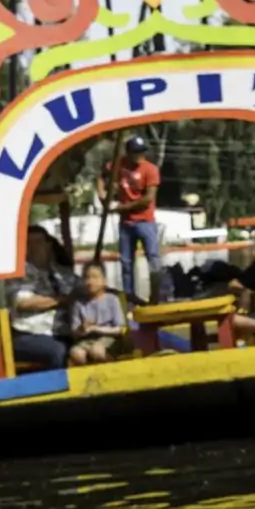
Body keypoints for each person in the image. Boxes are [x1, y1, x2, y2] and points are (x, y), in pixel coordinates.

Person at [7, 223, 77, 371]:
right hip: (28, 334)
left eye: (38, 242)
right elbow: (23, 303)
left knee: (95, 345)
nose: (33, 247)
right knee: (58, 351)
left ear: (48, 245)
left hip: (64, 332)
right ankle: (59, 392)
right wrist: (61, 301)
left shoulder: (62, 272)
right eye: (28, 243)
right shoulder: (18, 274)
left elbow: (85, 290)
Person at [110, 137, 163, 304]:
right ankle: (129, 297)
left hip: (145, 221)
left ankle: (156, 297)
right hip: (126, 223)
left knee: (153, 258)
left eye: (142, 152)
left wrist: (123, 207)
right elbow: (103, 175)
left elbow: (148, 198)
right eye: (136, 152)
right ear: (129, 153)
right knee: (126, 262)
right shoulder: (119, 164)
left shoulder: (151, 169)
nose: (140, 156)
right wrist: (103, 196)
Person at [68, 257, 128, 365]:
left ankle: (114, 370)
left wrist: (97, 329)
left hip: (109, 338)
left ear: (104, 280)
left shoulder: (112, 299)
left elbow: (120, 329)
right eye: (87, 278)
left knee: (97, 351)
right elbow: (74, 332)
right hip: (86, 340)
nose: (90, 282)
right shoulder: (79, 303)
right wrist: (82, 328)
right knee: (76, 354)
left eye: (95, 277)